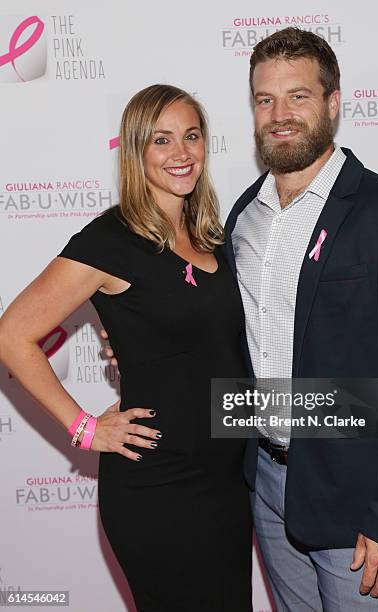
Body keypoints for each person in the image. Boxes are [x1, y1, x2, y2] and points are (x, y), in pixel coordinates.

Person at [222, 28, 378, 611]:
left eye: (298, 96)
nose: (279, 115)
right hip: (269, 489)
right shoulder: (242, 219)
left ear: (332, 102)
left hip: (362, 503)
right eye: (264, 99)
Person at [0, 84, 252, 611]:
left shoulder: (211, 236)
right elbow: (12, 334)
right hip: (159, 490)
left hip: (226, 485)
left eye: (191, 136)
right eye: (162, 140)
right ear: (137, 150)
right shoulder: (111, 239)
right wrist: (84, 428)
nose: (181, 153)